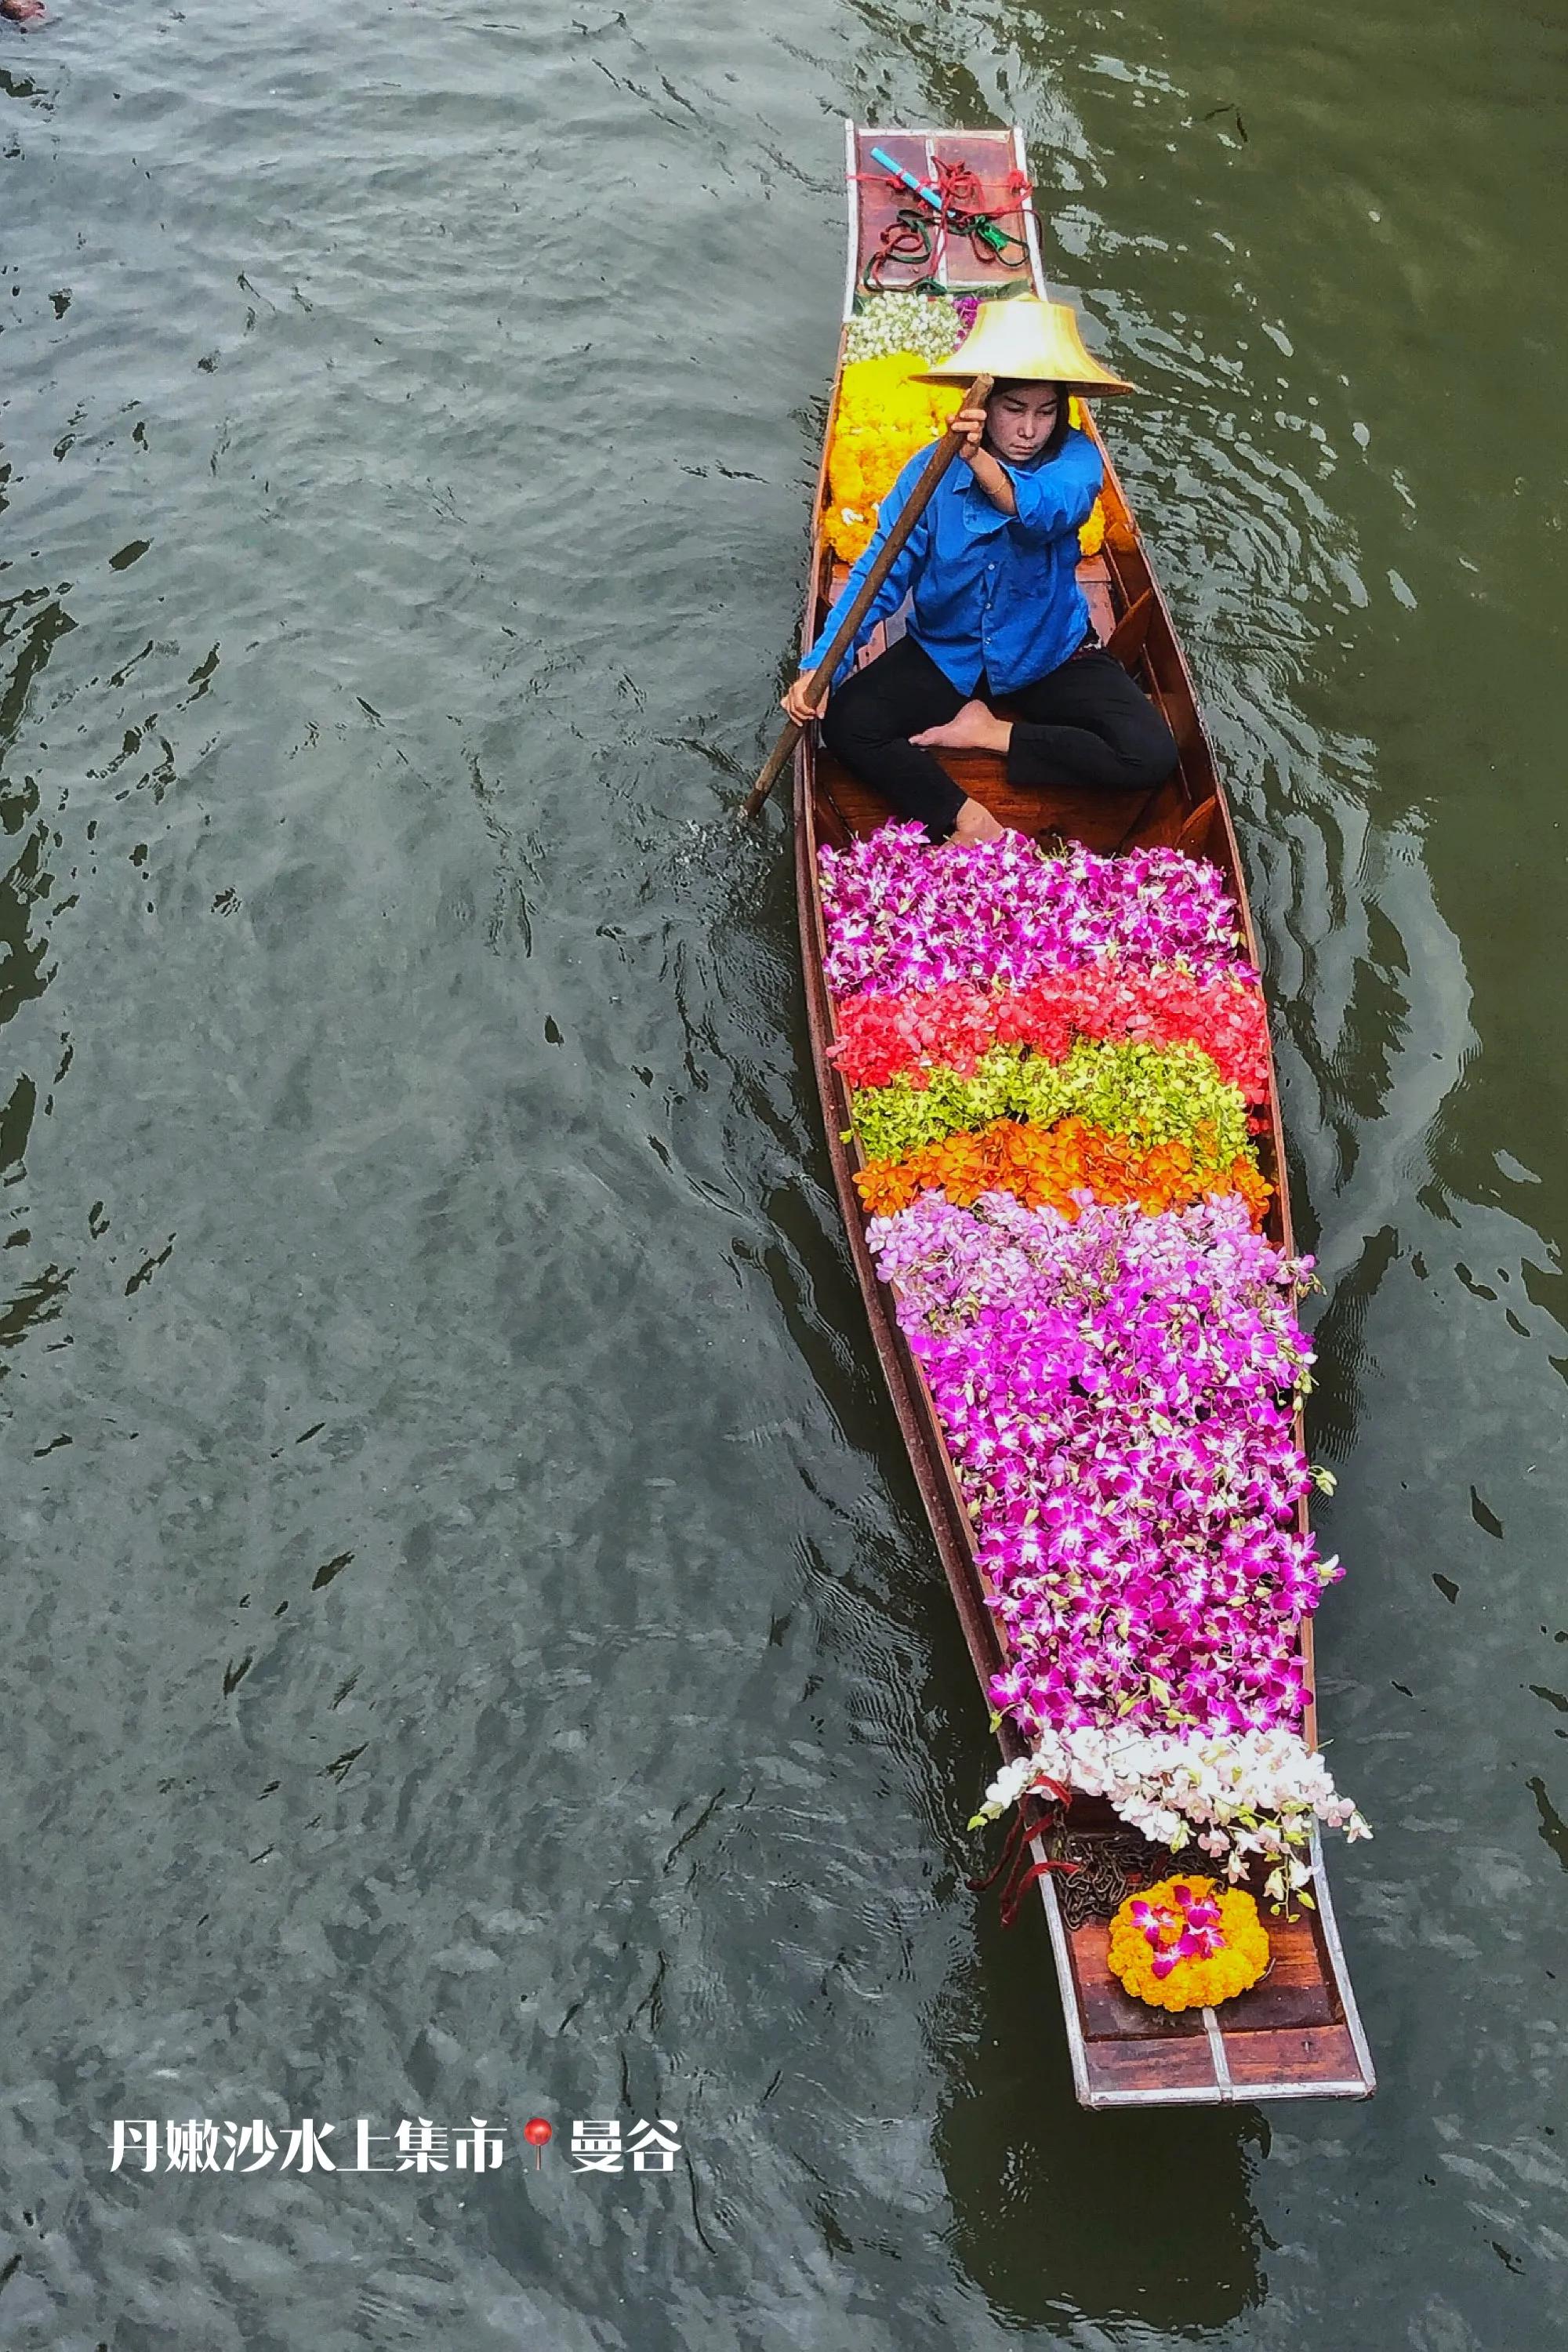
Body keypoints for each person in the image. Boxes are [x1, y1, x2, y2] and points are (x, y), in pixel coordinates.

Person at [781, 296, 1177, 844]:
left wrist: (981, 464)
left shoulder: (1076, 459)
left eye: (1046, 412)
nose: (1030, 430)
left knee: (1149, 753)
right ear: (982, 404)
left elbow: (1048, 510)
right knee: (849, 722)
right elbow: (881, 574)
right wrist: (823, 664)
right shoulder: (928, 471)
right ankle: (965, 820)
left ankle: (992, 734)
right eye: (1014, 409)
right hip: (950, 651)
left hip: (1047, 651)